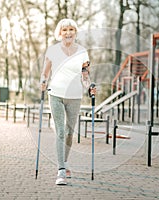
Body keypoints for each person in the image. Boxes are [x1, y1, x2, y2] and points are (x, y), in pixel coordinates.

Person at [40, 18, 96, 185]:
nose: (68, 33)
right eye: (65, 30)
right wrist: (42, 82)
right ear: (60, 33)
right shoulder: (52, 51)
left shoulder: (83, 52)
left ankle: (64, 162)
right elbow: (45, 73)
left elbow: (85, 77)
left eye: (71, 29)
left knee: (70, 133)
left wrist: (90, 86)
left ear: (75, 32)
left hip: (74, 96)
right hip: (55, 94)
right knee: (60, 131)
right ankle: (61, 171)